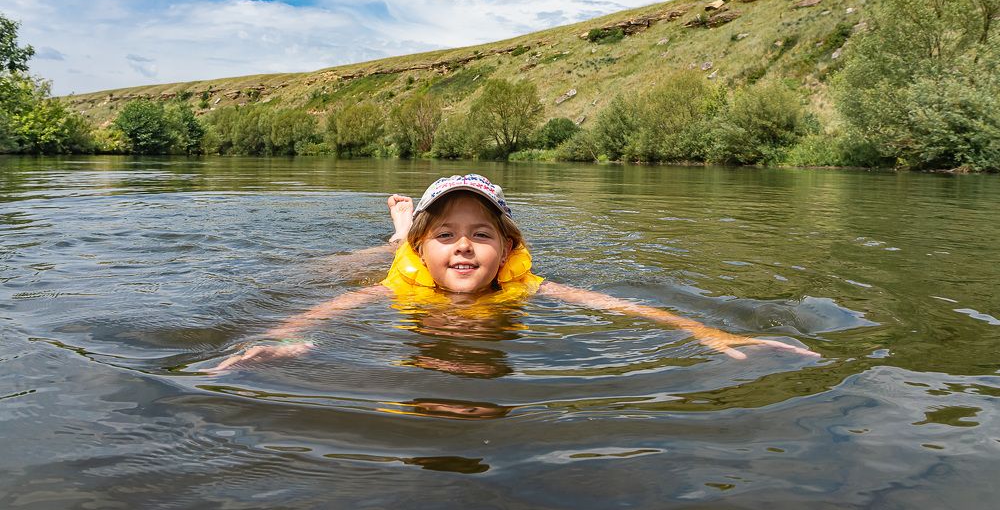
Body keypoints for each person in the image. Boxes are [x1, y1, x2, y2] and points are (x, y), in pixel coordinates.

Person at [208, 174, 818, 371]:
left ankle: (402, 223)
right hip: (401, 251)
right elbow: (327, 312)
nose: (465, 248)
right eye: (445, 236)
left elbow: (625, 308)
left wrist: (709, 333)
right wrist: (281, 341)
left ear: (506, 250)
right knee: (364, 261)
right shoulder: (401, 280)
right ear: (425, 252)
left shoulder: (527, 287)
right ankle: (396, 230)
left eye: (481, 235)